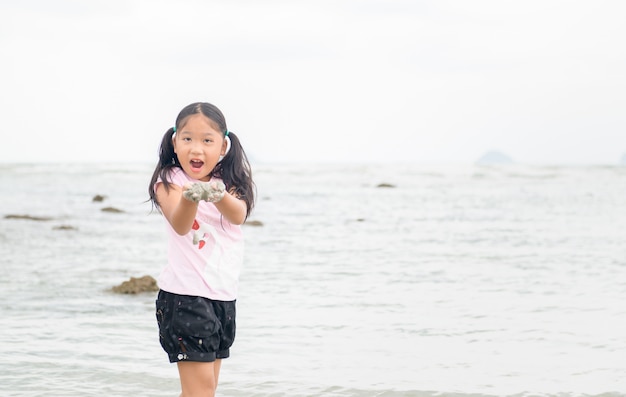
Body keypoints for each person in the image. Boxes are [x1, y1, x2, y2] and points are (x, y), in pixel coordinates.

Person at [148, 102, 255, 397]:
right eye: (188, 139)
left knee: (206, 389)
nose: (197, 148)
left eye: (207, 140)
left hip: (224, 298)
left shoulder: (230, 181)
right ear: (174, 142)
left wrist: (217, 194)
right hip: (185, 296)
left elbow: (238, 215)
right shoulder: (170, 181)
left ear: (223, 146)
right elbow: (181, 224)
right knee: (201, 391)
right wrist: (192, 197)